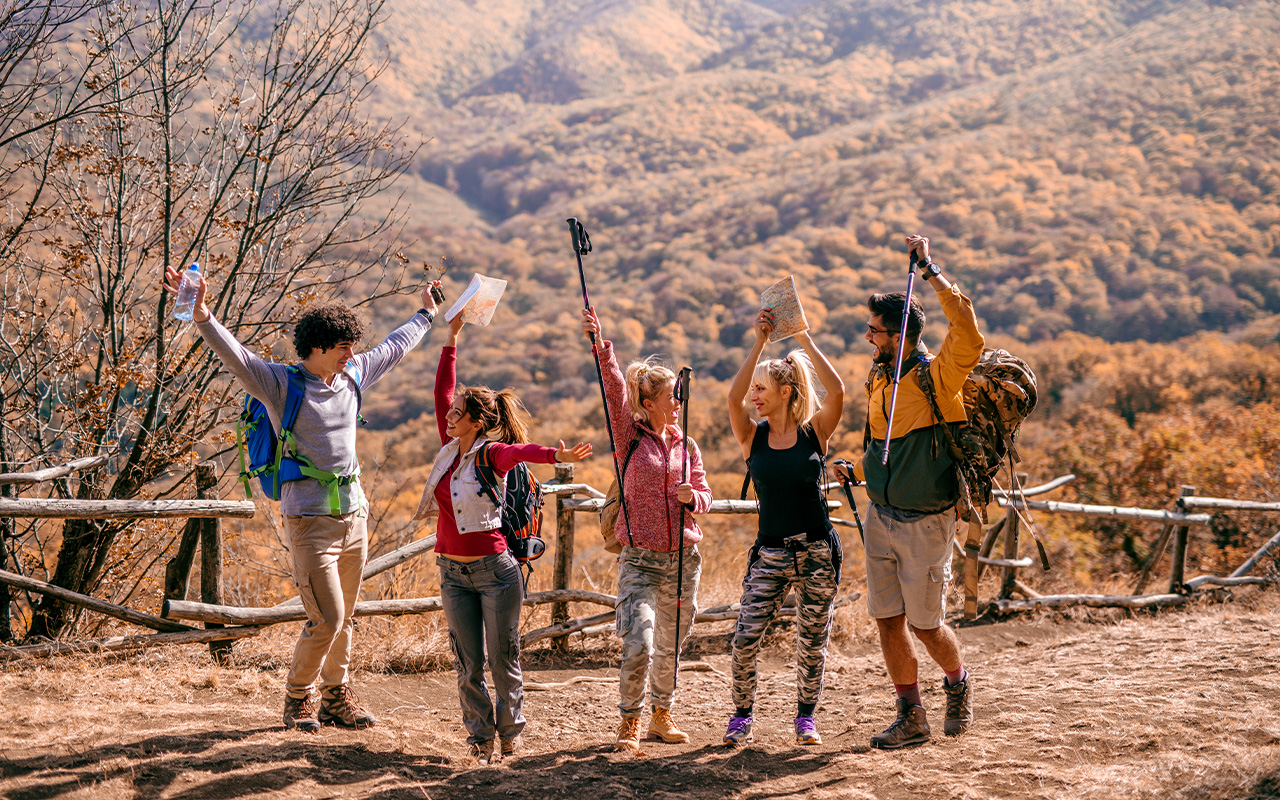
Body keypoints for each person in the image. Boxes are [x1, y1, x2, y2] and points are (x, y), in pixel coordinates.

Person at [161, 265, 440, 733]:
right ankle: (297, 698)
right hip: (308, 520)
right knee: (327, 618)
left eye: (353, 346)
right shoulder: (280, 385)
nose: (353, 354)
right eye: (343, 346)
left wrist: (426, 314)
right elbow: (237, 357)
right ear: (318, 348)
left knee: (345, 617)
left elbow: (395, 347)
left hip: (354, 515)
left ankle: (336, 696)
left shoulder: (352, 376)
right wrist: (204, 313)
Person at [413, 314, 592, 762]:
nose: (448, 416)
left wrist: (555, 455)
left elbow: (521, 451)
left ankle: (511, 735)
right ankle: (480, 739)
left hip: (495, 572)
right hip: (452, 572)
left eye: (457, 413)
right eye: (451, 412)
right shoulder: (449, 449)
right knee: (467, 663)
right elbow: (441, 392)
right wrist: (451, 338)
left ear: (477, 422)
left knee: (502, 658)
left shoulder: (491, 453)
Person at [836, 234, 984, 749]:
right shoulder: (879, 378)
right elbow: (887, 446)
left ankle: (958, 683)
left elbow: (968, 333)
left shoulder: (937, 376)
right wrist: (859, 471)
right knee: (887, 621)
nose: (867, 337)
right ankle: (912, 715)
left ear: (898, 334)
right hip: (881, 514)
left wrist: (930, 270)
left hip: (926, 521)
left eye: (874, 330)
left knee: (925, 625)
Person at [580, 307, 714, 755]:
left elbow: (705, 493)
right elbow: (614, 389)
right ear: (650, 401)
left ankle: (661, 715)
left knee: (671, 645)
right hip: (639, 560)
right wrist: (601, 346)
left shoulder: (686, 444)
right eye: (672, 396)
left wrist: (693, 499)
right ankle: (630, 720)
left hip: (683, 562)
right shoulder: (628, 436)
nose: (679, 402)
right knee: (639, 642)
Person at [723, 306, 845, 747]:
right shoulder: (751, 436)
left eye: (762, 388)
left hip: (817, 551)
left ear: (785, 391)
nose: (755, 396)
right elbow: (732, 400)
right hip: (771, 551)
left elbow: (837, 390)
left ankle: (805, 718)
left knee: (811, 642)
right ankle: (742, 716)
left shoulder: (815, 433)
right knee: (745, 639)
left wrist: (803, 337)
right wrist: (759, 342)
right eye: (755, 388)